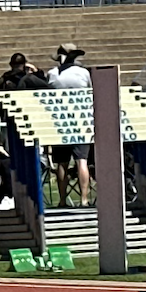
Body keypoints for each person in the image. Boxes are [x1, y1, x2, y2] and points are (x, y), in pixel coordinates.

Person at [46, 43, 93, 207]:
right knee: (82, 161)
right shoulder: (84, 73)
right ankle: (84, 199)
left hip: (60, 121)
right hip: (82, 120)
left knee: (62, 163)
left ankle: (62, 200)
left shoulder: (52, 74)